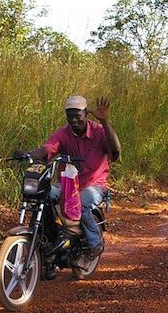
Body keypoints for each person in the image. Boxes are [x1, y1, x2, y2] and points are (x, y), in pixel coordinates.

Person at [17, 95, 121, 263]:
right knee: (44, 195)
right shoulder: (64, 133)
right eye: (69, 115)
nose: (73, 120)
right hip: (66, 184)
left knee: (82, 203)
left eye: (77, 115)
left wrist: (105, 122)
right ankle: (48, 240)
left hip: (93, 185)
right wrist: (28, 154)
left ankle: (95, 243)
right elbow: (47, 149)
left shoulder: (99, 132)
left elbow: (115, 150)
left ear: (86, 113)